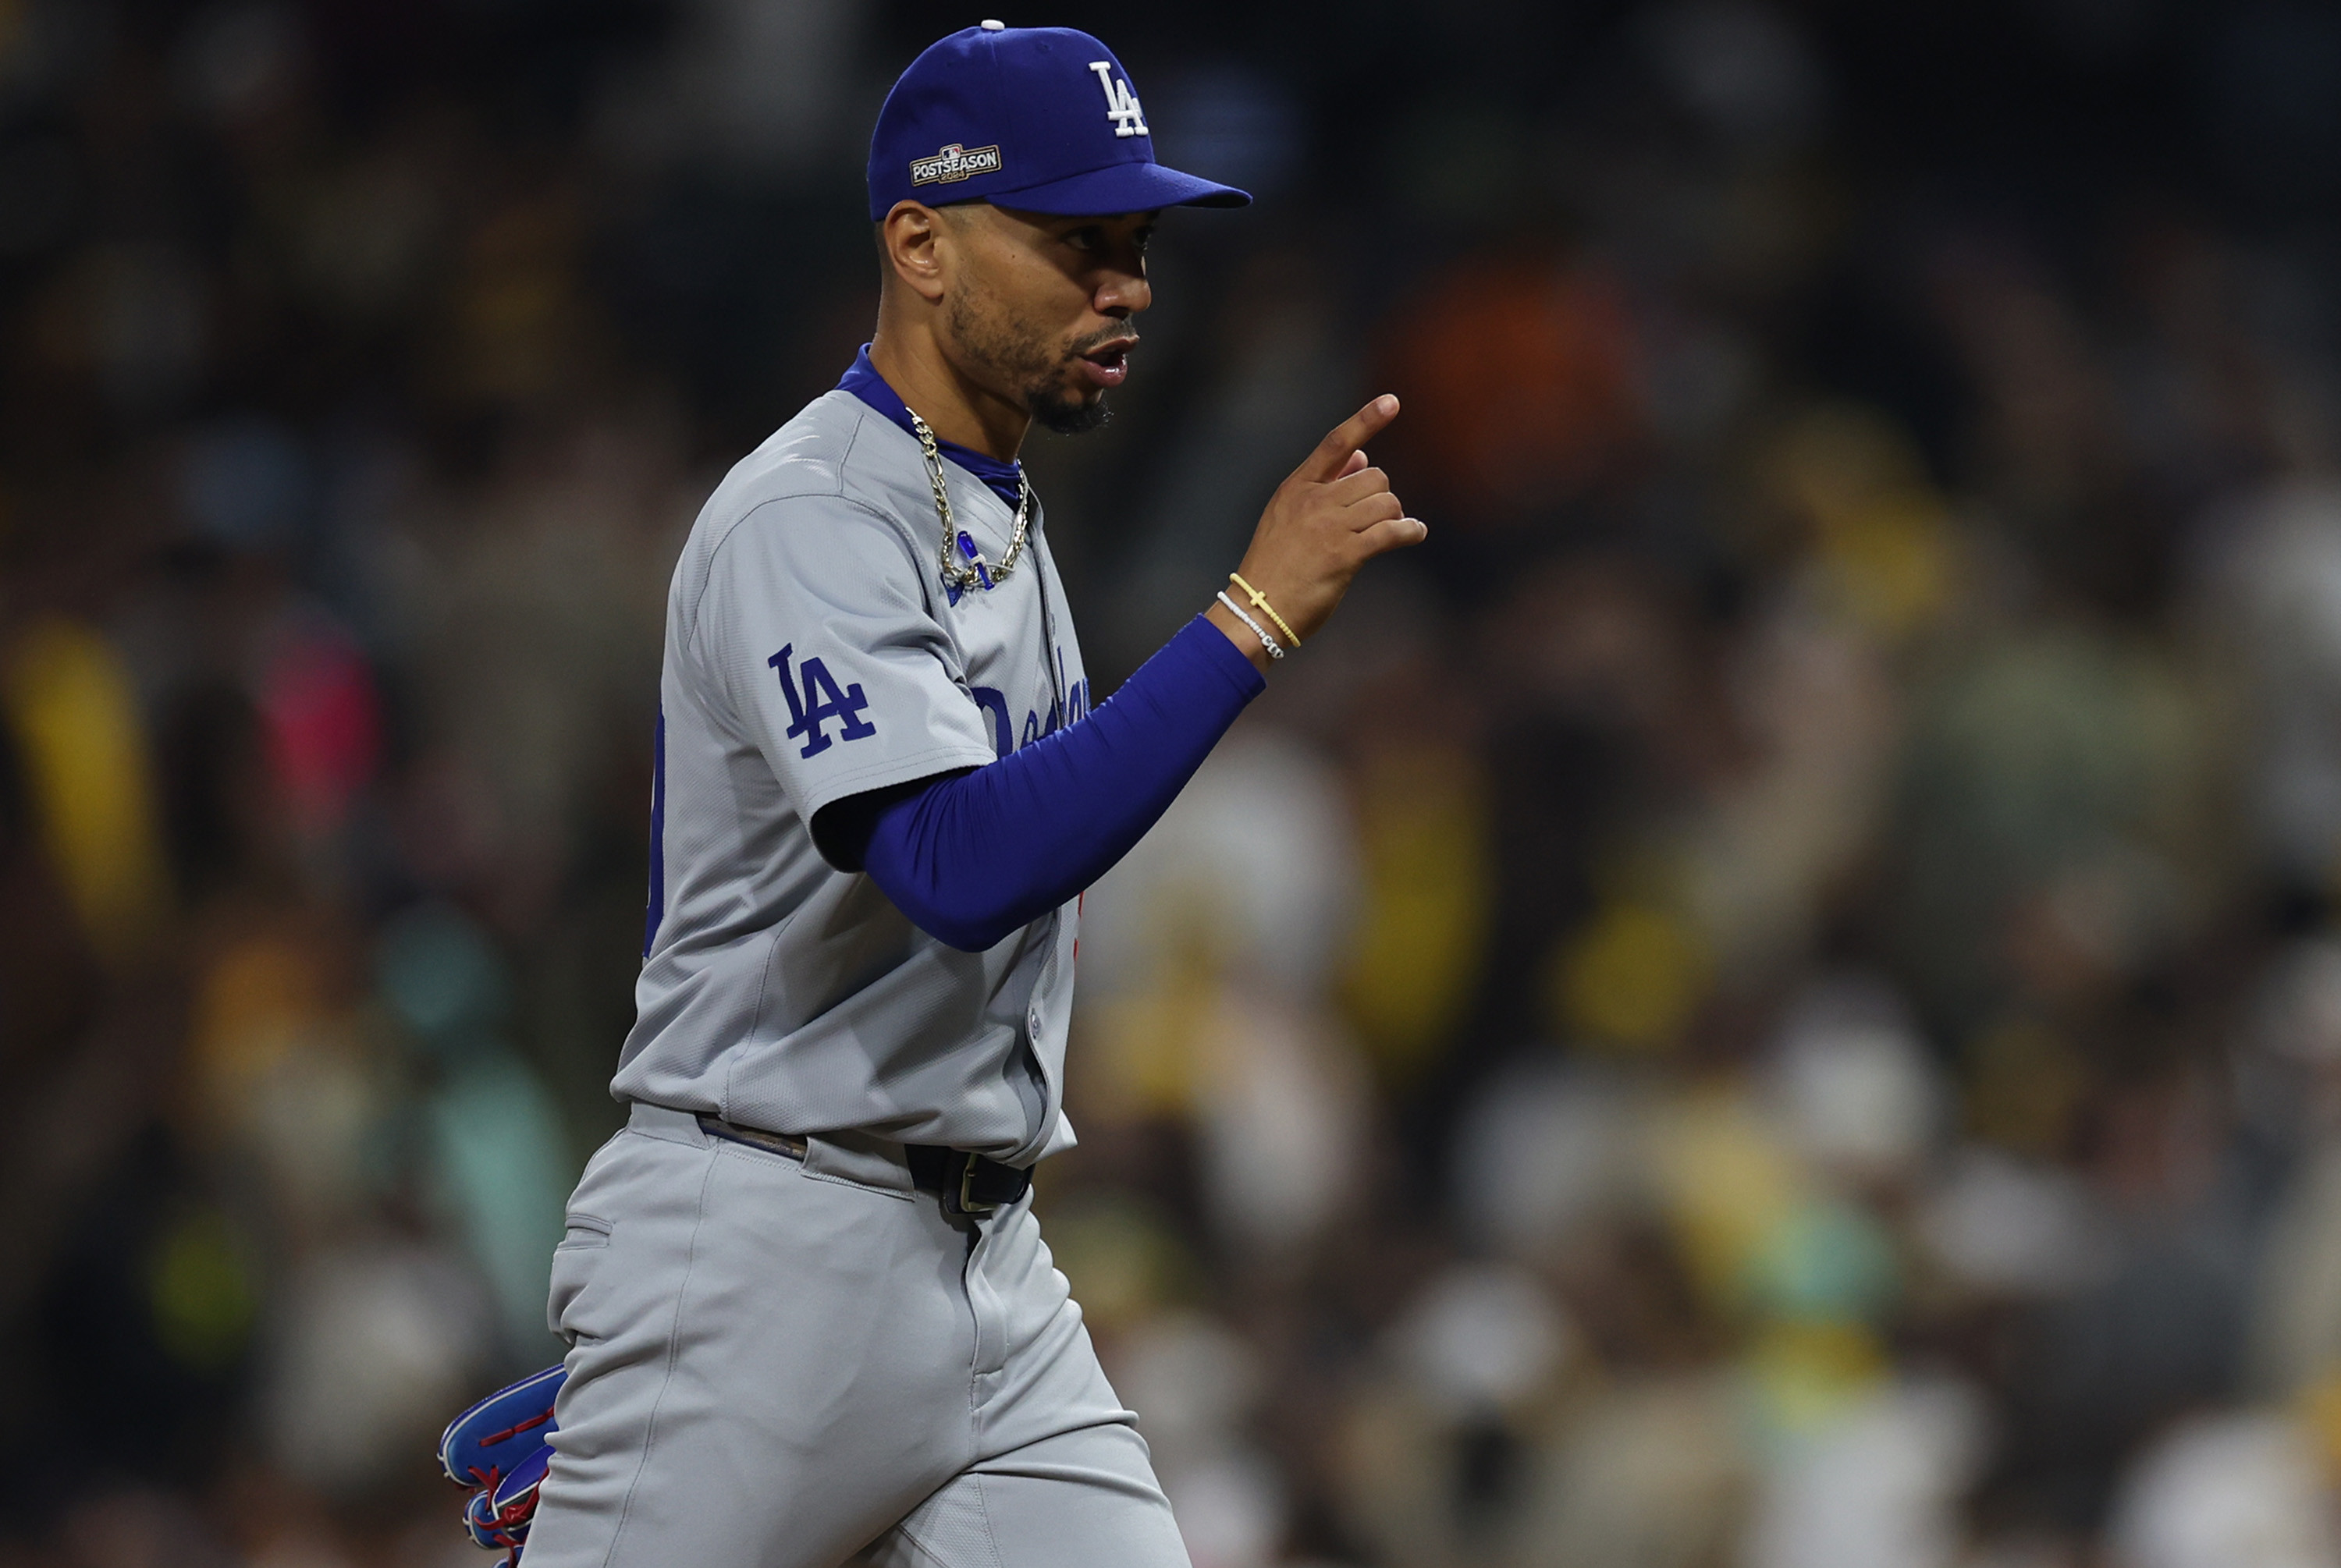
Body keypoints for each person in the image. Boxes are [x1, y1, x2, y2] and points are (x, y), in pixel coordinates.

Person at [517, 22, 1423, 1567]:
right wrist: (1251, 617)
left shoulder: (987, 500)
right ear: (922, 247)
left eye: (1136, 245)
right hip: (764, 1245)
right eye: (1077, 242)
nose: (1128, 286)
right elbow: (951, 862)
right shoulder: (809, 515)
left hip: (986, 1257)